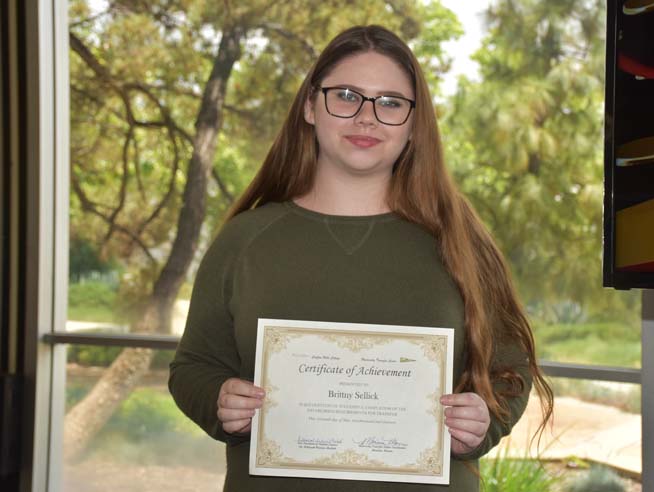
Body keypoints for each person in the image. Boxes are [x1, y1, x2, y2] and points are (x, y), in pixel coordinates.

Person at [169, 24, 553, 492]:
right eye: (347, 95)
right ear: (311, 106)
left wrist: (483, 420)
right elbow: (193, 368)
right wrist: (219, 399)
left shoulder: (460, 241)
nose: (367, 118)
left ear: (414, 124)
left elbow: (509, 373)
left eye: (391, 103)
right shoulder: (245, 239)